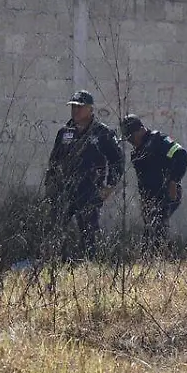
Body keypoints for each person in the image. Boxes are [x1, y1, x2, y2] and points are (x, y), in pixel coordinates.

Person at [43, 90, 125, 260]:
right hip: (64, 190)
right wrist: (50, 183)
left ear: (90, 109)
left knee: (88, 232)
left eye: (79, 107)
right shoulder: (65, 132)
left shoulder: (103, 133)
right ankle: (59, 264)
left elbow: (117, 160)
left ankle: (88, 266)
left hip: (90, 190)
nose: (75, 111)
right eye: (73, 107)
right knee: (57, 229)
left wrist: (109, 185)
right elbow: (54, 159)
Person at [120, 114, 187, 252]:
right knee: (152, 229)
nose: (130, 141)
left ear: (140, 130)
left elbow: (181, 155)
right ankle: (156, 259)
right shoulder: (137, 152)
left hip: (166, 193)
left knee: (157, 227)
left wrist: (173, 182)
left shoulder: (158, 141)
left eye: (131, 137)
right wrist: (144, 199)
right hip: (149, 197)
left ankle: (160, 258)